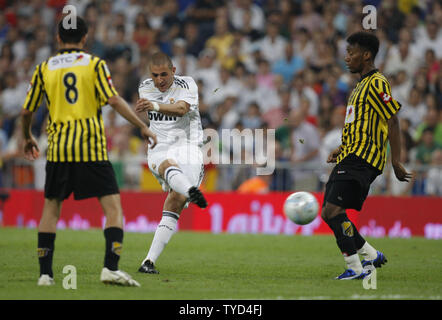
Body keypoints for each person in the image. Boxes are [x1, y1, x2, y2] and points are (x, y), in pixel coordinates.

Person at [21, 17, 157, 287]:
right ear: (85, 39)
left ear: (58, 38)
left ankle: (45, 275)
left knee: (51, 209)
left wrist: (27, 137)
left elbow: (27, 111)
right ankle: (110, 268)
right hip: (91, 148)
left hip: (58, 149)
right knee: (113, 207)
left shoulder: (44, 68)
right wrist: (142, 126)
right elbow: (114, 99)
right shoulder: (94, 64)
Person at [321, 31, 411, 280]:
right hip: (349, 154)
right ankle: (370, 254)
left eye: (351, 53)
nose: (346, 57)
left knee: (332, 211)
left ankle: (356, 267)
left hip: (362, 158)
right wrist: (341, 148)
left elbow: (392, 119)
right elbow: (361, 124)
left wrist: (396, 160)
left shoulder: (377, 82)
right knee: (330, 212)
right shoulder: (360, 85)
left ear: (367, 55)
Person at [135, 52, 208, 274]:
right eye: (155, 75)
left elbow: (181, 109)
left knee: (175, 201)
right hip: (159, 147)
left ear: (173, 71)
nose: (159, 80)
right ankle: (191, 189)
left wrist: (154, 107)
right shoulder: (145, 87)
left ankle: (148, 262)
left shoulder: (188, 84)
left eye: (164, 74)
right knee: (167, 164)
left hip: (188, 147)